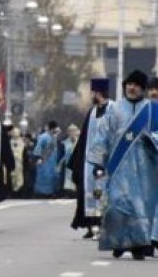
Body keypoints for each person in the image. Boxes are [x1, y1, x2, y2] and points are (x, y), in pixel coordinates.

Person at [87, 70, 158, 260]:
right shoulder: (115, 109)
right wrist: (98, 162)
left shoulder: (152, 110)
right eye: (129, 84)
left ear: (142, 89)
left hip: (146, 169)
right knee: (117, 205)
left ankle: (138, 245)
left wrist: (152, 141)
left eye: (136, 85)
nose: (131, 88)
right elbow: (103, 135)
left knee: (141, 207)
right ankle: (118, 242)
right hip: (119, 167)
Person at [68, 77, 113, 239]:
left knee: (104, 194)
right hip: (89, 162)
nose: (91, 95)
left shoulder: (113, 109)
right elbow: (84, 138)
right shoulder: (92, 112)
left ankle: (104, 226)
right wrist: (77, 162)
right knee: (89, 194)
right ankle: (91, 225)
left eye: (93, 92)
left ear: (99, 93)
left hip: (107, 161)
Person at [31, 121, 61, 198]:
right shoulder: (43, 137)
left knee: (51, 176)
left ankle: (50, 192)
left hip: (52, 161)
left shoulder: (54, 137)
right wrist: (38, 158)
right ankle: (41, 193)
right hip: (44, 160)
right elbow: (38, 148)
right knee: (44, 176)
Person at [59, 124, 80, 198]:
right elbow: (61, 154)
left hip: (77, 164)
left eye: (74, 131)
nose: (72, 133)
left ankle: (76, 193)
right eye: (71, 131)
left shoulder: (80, 142)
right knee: (67, 179)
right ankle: (67, 193)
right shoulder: (64, 143)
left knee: (75, 178)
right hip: (67, 163)